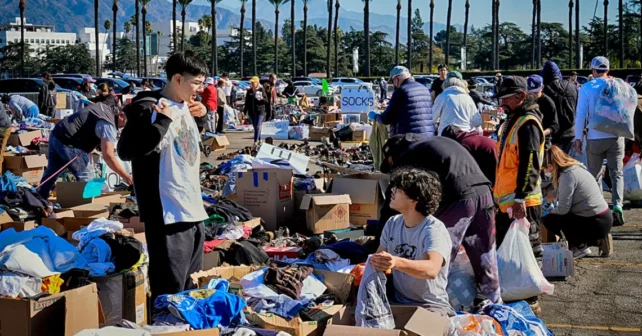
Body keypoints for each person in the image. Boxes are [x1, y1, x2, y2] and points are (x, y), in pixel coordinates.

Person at [117, 51, 209, 302]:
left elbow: (186, 146)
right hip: (168, 213)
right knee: (169, 291)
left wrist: (201, 118)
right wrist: (162, 122)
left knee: (191, 288)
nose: (199, 90)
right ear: (177, 78)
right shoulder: (149, 108)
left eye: (203, 84)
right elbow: (125, 151)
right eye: (196, 83)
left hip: (193, 210)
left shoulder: (187, 107)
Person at [378, 134, 501, 306]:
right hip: (483, 191)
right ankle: (494, 306)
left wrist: (378, 234)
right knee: (485, 256)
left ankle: (444, 307)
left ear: (392, 156)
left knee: (440, 256)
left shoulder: (408, 157)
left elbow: (392, 201)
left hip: (459, 198)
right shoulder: (432, 142)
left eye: (390, 163)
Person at [372, 167, 455, 317]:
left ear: (414, 200)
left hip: (431, 307)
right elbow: (378, 260)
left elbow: (431, 270)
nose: (392, 191)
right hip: (397, 303)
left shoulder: (433, 230)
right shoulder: (392, 223)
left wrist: (396, 262)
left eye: (398, 189)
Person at [494, 76, 545, 258]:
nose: (502, 103)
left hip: (522, 202)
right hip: (508, 202)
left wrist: (520, 198)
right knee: (508, 255)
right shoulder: (515, 119)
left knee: (526, 255)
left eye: (506, 99)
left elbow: (529, 164)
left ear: (521, 96)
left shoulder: (527, 124)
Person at [38, 102, 131, 198]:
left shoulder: (104, 107)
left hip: (57, 134)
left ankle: (39, 200)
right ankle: (90, 208)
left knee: (51, 173)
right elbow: (108, 156)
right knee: (88, 177)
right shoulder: (109, 125)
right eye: (128, 123)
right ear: (121, 115)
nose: (126, 127)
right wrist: (126, 176)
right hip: (71, 142)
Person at [574, 56, 625, 225]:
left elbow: (581, 114)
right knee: (616, 172)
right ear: (608, 70)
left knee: (594, 175)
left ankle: (600, 208)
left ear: (593, 71)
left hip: (595, 136)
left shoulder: (587, 87)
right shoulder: (618, 84)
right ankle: (618, 206)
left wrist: (578, 137)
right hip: (616, 135)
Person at [542, 146, 613, 258]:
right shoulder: (574, 168)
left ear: (550, 167)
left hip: (595, 221)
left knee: (551, 219)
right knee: (565, 216)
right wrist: (553, 195)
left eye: (544, 169)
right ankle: (598, 240)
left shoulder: (566, 176)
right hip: (603, 217)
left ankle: (580, 247)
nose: (545, 173)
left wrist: (550, 211)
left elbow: (563, 209)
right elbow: (571, 190)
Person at [369, 66, 435, 137]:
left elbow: (386, 119)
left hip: (409, 139)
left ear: (396, 78)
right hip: (428, 137)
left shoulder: (401, 91)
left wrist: (376, 116)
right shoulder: (425, 89)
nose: (393, 84)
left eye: (392, 81)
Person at [541, 61, 578, 153]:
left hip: (552, 135)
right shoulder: (572, 87)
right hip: (571, 133)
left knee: (552, 165)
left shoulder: (543, 89)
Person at [432, 71, 481, 136]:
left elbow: (432, 118)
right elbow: (477, 122)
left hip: (445, 136)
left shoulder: (442, 96)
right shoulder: (468, 98)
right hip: (463, 136)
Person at [527, 75, 559, 147]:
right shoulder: (526, 100)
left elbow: (555, 125)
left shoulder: (548, 103)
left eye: (536, 92)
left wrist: (541, 133)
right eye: (530, 92)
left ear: (542, 88)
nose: (533, 95)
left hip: (543, 140)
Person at [244, 76, 268, 144]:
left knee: (257, 126)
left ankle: (255, 142)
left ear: (257, 82)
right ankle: (260, 140)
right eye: (251, 82)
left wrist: (262, 98)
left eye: (253, 82)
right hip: (252, 112)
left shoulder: (261, 90)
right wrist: (245, 111)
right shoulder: (249, 91)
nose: (252, 83)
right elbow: (247, 102)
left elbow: (266, 101)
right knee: (255, 127)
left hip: (260, 111)